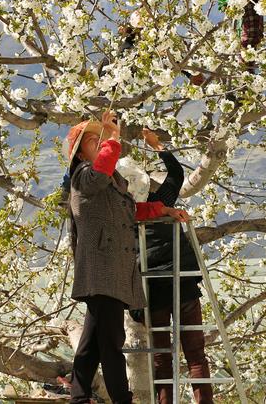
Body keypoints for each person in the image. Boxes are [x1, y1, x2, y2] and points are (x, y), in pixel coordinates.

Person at [64, 111, 190, 404]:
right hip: (102, 269)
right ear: (80, 153)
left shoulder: (109, 182)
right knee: (111, 342)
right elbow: (100, 172)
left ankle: (79, 398)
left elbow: (130, 211)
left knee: (91, 345)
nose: (100, 143)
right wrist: (113, 138)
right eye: (93, 141)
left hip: (113, 271)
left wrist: (163, 210)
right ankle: (122, 399)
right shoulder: (84, 176)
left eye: (101, 139)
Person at [131, 128, 213, 404]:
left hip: (152, 288)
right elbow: (176, 174)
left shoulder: (122, 211)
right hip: (182, 282)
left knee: (161, 359)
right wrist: (157, 146)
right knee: (196, 354)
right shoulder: (160, 203)